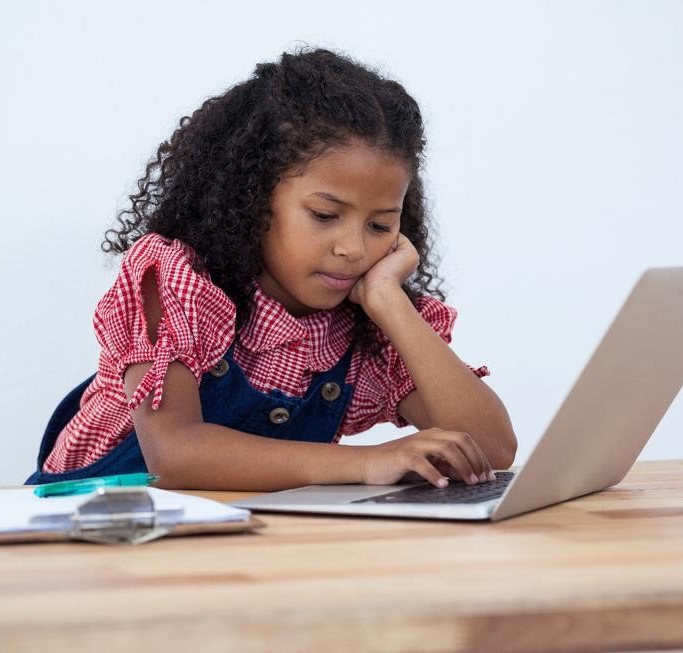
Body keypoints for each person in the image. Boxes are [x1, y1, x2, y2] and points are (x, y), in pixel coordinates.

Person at [26, 48, 516, 491]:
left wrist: (390, 302)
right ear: (254, 199)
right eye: (325, 216)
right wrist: (367, 462)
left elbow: (492, 449)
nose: (352, 248)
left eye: (380, 224)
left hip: (240, 544)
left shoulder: (364, 325)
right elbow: (173, 455)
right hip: (87, 534)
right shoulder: (179, 280)